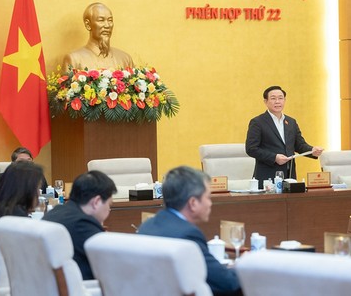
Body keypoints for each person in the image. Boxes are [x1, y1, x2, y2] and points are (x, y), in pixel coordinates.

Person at [137, 166, 242, 296]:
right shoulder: (187, 234)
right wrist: (244, 265)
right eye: (208, 198)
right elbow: (228, 283)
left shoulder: (147, 225)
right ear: (193, 203)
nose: (210, 203)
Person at [42, 171, 116, 280]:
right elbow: (111, 264)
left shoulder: (55, 212)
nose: (109, 210)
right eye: (109, 205)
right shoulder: (82, 225)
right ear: (97, 202)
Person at [245, 86, 323, 186]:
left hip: (289, 175)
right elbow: (251, 148)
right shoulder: (258, 122)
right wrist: (274, 157)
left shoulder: (291, 122)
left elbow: (299, 145)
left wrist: (312, 150)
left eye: (280, 98)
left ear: (284, 100)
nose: (277, 101)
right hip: (267, 176)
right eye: (273, 98)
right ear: (265, 101)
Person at [62, 2, 134, 70]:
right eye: (101, 20)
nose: (107, 25)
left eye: (110, 20)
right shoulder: (74, 59)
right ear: (88, 25)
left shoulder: (125, 59)